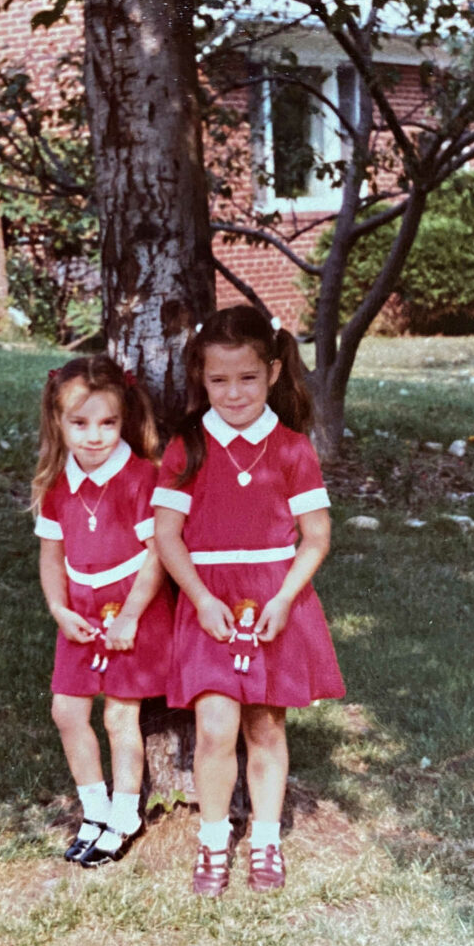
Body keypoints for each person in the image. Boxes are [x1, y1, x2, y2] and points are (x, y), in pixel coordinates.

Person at [153, 306, 345, 896]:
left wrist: (287, 598)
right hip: (209, 600)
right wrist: (202, 600)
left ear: (274, 371)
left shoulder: (291, 449)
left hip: (271, 600)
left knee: (265, 726)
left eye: (247, 379)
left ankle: (265, 839)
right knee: (214, 727)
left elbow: (316, 537)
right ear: (200, 379)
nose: (233, 393)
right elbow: (165, 535)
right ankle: (213, 842)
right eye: (218, 381)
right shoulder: (188, 447)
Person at [32, 355, 173, 868]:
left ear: (124, 420)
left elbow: (158, 552)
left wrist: (133, 614)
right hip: (80, 614)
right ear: (58, 422)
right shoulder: (55, 483)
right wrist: (58, 609)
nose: (94, 436)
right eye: (80, 423)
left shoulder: (140, 478)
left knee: (119, 715)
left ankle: (124, 814)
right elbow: (51, 554)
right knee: (66, 711)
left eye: (107, 423)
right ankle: (92, 808)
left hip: (130, 610)